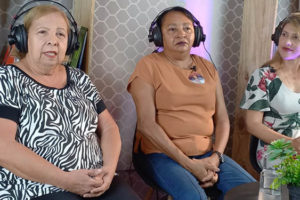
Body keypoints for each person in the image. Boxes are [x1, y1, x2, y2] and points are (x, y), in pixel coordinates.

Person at [0, 2, 140, 200]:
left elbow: (108, 127)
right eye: (42, 32)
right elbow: (3, 147)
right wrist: (65, 180)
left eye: (60, 34)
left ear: (71, 42)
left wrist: (108, 170)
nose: (53, 41)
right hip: (39, 188)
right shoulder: (7, 79)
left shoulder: (80, 78)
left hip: (95, 181)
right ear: (23, 39)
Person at [127, 6, 255, 200]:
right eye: (172, 29)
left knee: (252, 193)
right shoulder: (148, 66)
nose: (181, 34)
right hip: (161, 155)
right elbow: (146, 125)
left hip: (207, 155)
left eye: (187, 28)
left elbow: (222, 120)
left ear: (197, 34)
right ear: (158, 35)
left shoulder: (208, 67)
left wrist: (215, 158)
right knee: (194, 197)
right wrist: (191, 166)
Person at [240, 12, 300, 168]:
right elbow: (252, 125)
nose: (287, 42)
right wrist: (291, 144)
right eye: (284, 35)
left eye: (295, 37)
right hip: (275, 151)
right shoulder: (263, 76)